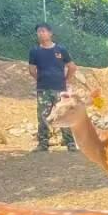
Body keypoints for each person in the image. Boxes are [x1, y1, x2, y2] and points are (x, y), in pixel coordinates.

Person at [28, 23, 77, 152]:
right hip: (43, 89)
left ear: (50, 33)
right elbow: (32, 70)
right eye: (38, 31)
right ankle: (43, 144)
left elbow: (72, 67)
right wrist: (41, 79)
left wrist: (65, 80)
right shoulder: (34, 51)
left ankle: (70, 143)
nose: (41, 33)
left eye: (43, 31)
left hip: (60, 90)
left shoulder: (61, 50)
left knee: (64, 115)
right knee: (42, 116)